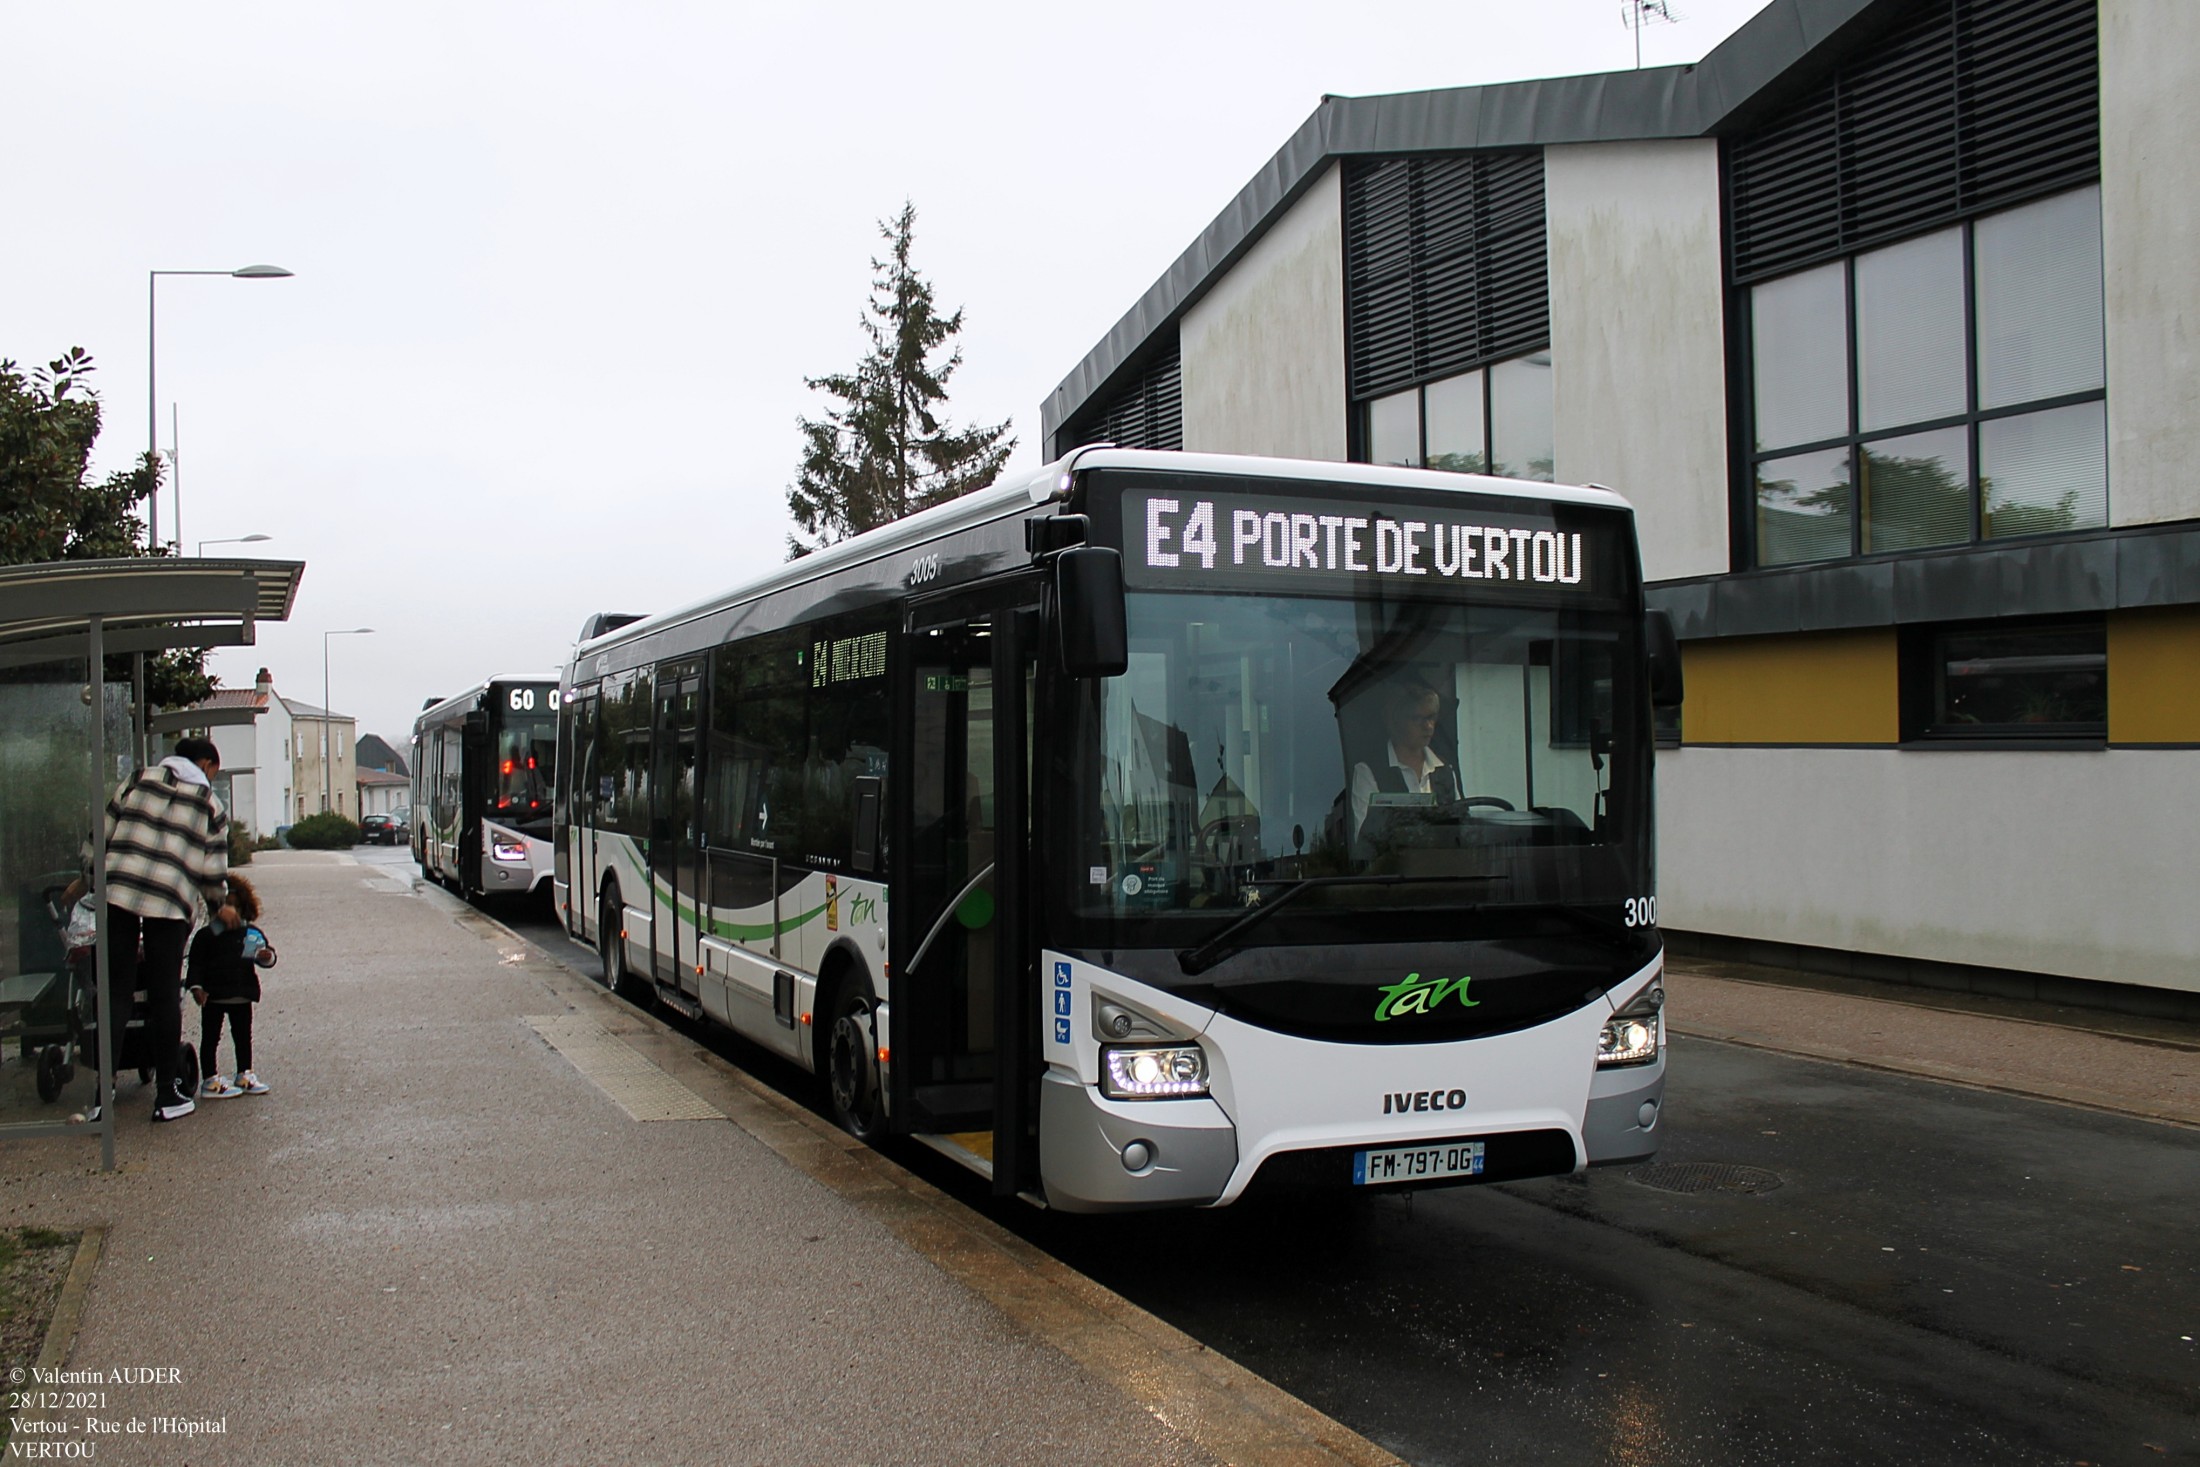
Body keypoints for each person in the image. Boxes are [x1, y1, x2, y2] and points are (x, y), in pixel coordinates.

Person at [102, 735, 234, 1122]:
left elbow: (103, 829)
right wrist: (218, 908)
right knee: (164, 996)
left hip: (118, 889)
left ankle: (102, 1094)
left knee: (116, 992)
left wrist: (89, 875)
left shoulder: (137, 779)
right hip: (169, 900)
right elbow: (213, 870)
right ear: (206, 764)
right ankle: (166, 1095)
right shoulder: (210, 804)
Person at [186, 872, 277, 1099]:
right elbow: (195, 963)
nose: (231, 913)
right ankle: (210, 1078)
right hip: (214, 995)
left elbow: (265, 955)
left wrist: (266, 956)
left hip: (242, 992)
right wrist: (197, 987)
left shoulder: (251, 933)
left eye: (236, 907)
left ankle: (244, 1072)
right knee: (210, 1038)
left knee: (243, 1036)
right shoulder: (206, 936)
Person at [1349, 676, 1459, 840]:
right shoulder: (1369, 772)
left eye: (1431, 718)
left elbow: (1460, 830)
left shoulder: (1445, 770)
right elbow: (1366, 840)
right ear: (1395, 721)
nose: (1428, 726)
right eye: (1417, 718)